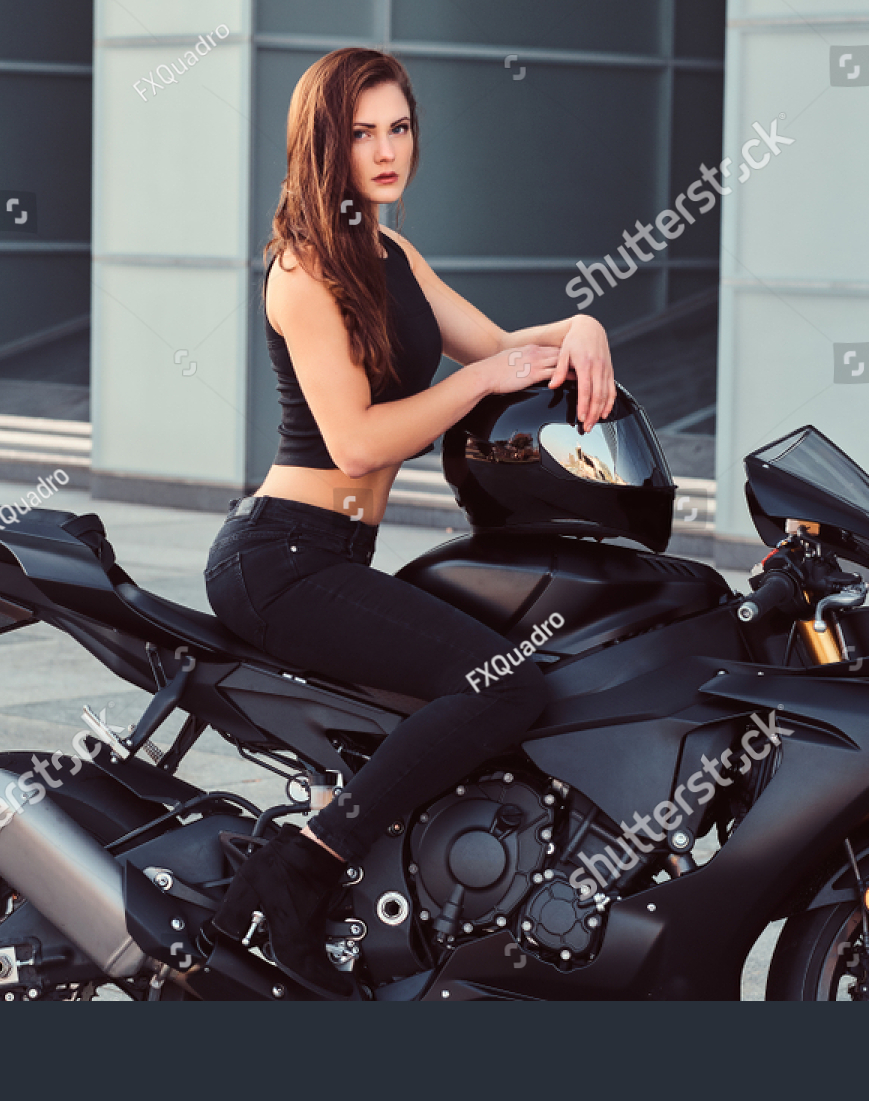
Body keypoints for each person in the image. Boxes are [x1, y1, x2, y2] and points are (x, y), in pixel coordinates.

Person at [204, 47, 617, 997]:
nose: (386, 150)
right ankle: (302, 865)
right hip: (281, 560)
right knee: (505, 688)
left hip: (335, 554)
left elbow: (507, 346)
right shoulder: (302, 272)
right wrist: (479, 381)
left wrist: (580, 328)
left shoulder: (392, 255)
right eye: (362, 132)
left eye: (399, 127)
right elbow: (353, 443)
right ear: (324, 143)